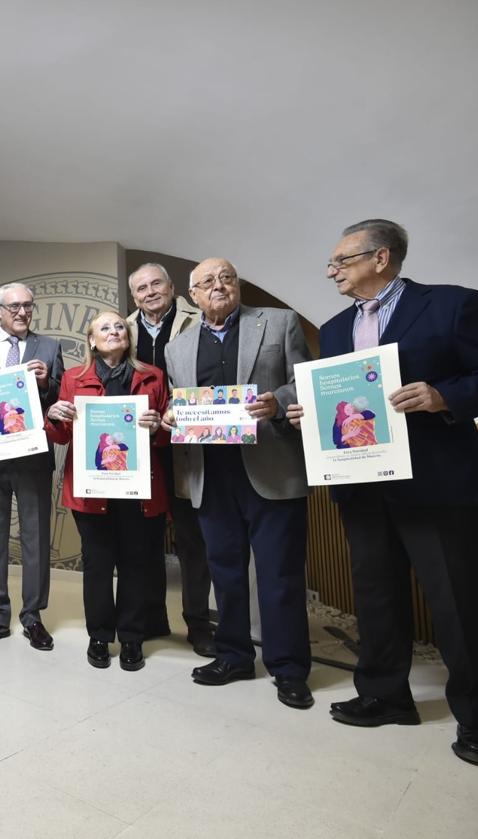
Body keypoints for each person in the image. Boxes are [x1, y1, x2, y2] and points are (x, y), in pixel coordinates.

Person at [288, 219, 478, 766]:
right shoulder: (336, 328)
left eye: (341, 262)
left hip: (438, 484)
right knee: (376, 596)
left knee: (457, 605)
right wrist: (311, 414)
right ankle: (383, 695)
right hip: (362, 486)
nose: (332, 273)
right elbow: (344, 401)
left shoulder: (452, 305)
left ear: (381, 257)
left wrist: (443, 395)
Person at [163, 257, 314, 710]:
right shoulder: (178, 348)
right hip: (211, 474)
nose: (219, 285)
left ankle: (289, 669)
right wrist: (173, 414)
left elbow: (304, 382)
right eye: (207, 281)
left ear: (238, 284)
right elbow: (179, 403)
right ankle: (233, 656)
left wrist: (279, 402)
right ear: (192, 295)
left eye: (226, 277)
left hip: (272, 469)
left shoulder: (280, 323)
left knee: (279, 575)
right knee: (224, 573)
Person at [43, 311, 169, 670]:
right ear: (91, 340)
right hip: (91, 490)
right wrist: (54, 416)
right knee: (97, 565)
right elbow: (64, 436)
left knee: (135, 564)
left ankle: (131, 638)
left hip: (139, 490)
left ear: (127, 336)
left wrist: (158, 425)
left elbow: (166, 436)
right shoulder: (73, 378)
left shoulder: (153, 376)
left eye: (119, 327)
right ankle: (99, 636)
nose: (114, 331)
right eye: (105, 328)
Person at [0, 283, 64, 651]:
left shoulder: (49, 347)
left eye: (28, 306)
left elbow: (58, 398)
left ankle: (33, 617)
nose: (23, 312)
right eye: (14, 306)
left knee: (36, 537)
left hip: (33, 457)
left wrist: (45, 382)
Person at [125, 262, 216, 657]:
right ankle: (150, 617)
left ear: (172, 286)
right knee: (143, 539)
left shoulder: (199, 320)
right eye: (141, 287)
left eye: (156, 283)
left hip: (188, 443)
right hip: (142, 447)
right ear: (134, 296)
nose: (149, 292)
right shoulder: (122, 329)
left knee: (192, 538)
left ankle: (198, 623)